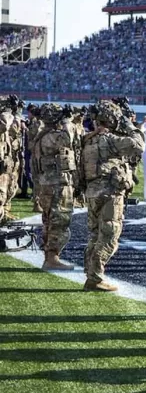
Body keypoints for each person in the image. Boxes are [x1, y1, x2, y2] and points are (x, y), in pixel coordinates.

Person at [79, 100, 145, 292]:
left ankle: (90, 272)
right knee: (109, 235)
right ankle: (96, 277)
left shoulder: (89, 140)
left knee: (94, 235)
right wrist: (130, 126)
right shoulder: (110, 139)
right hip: (110, 192)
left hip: (92, 192)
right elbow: (138, 146)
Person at [31, 104, 79, 270]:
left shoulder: (42, 135)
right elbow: (68, 139)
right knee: (59, 220)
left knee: (49, 220)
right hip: (56, 184)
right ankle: (52, 257)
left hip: (48, 184)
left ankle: (49, 257)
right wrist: (67, 121)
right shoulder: (51, 136)